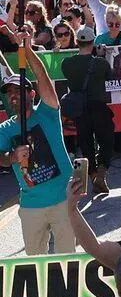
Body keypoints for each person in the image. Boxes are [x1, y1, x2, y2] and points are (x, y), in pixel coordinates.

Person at [0, 30, 74, 256]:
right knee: (34, 265)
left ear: (31, 94)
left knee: (67, 261)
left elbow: (42, 76)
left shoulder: (48, 112)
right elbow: (1, 159)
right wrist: (12, 157)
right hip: (31, 205)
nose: (13, 96)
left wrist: (27, 49)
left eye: (18, 91)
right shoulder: (5, 130)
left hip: (63, 198)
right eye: (8, 93)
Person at [60, 26, 112, 195]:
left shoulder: (67, 63)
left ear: (77, 41)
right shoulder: (100, 62)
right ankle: (101, 175)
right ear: (93, 42)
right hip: (98, 106)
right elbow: (109, 77)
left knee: (85, 142)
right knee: (106, 140)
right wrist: (101, 57)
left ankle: (93, 175)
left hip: (79, 109)